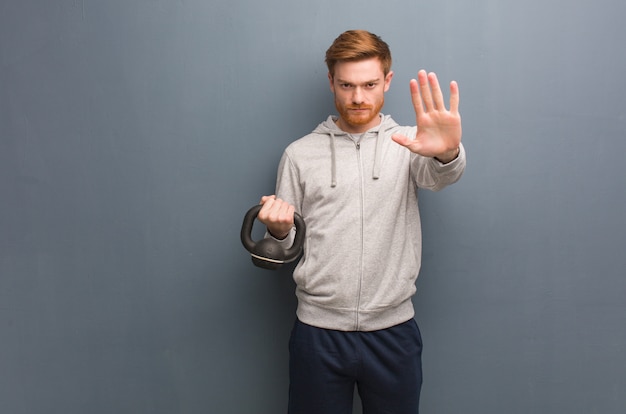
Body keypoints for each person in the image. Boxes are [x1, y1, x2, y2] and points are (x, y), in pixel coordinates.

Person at [256, 30, 466, 414]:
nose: (357, 97)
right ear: (331, 82)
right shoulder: (299, 154)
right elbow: (285, 249)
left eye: (369, 84)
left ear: (387, 80)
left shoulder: (409, 143)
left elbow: (442, 176)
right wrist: (279, 230)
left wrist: (447, 151)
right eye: (347, 85)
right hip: (318, 333)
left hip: (393, 333)